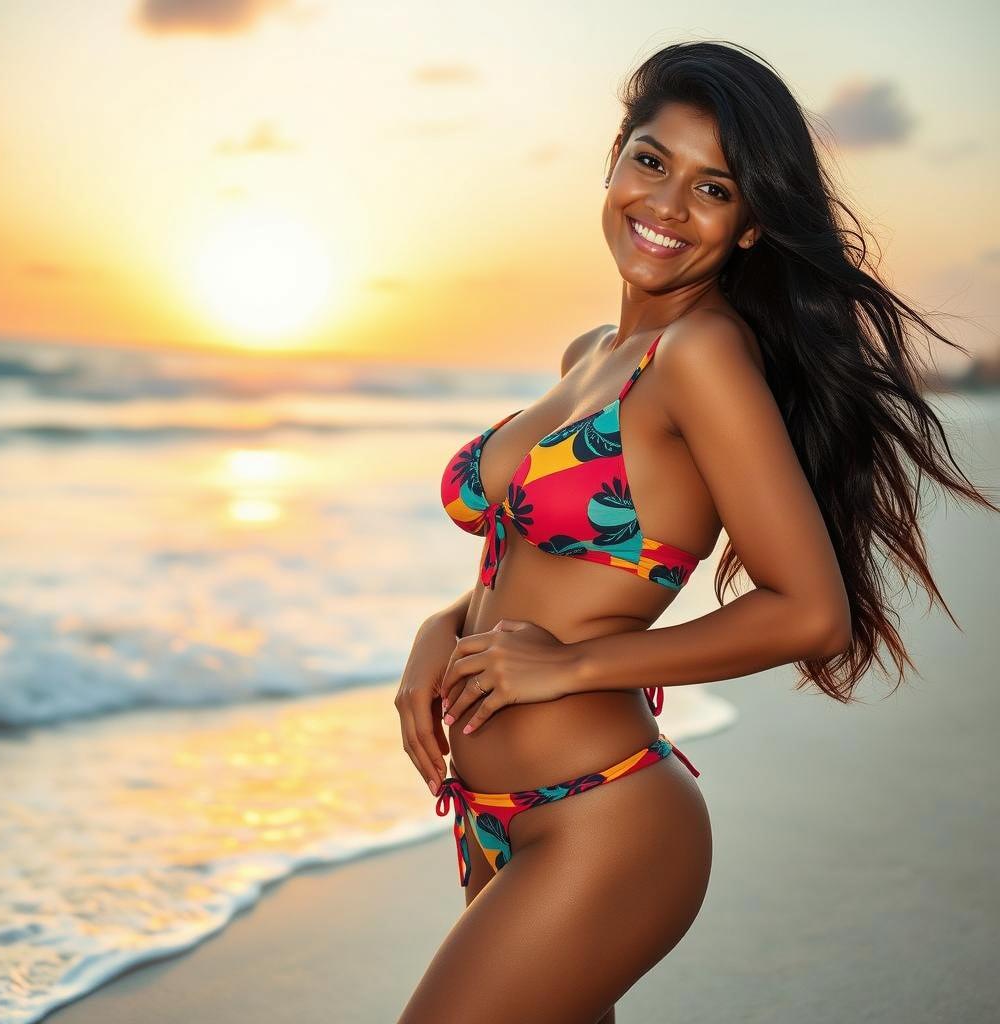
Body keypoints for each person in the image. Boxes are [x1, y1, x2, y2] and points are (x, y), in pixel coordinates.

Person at [394, 39, 999, 1024]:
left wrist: (569, 669)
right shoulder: (593, 353)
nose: (666, 207)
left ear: (752, 224)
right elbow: (540, 566)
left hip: (604, 819)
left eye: (712, 189)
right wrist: (441, 627)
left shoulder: (700, 355)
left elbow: (811, 612)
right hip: (496, 817)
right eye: (649, 161)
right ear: (613, 161)